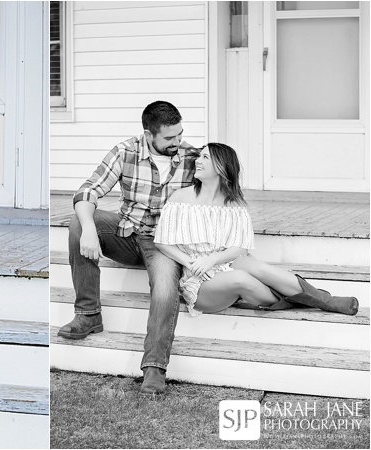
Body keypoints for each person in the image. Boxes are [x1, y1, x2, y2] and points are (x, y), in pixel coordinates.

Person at [56, 100, 196, 395]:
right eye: (170, 138)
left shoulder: (190, 157)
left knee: (164, 288)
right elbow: (87, 191)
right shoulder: (125, 151)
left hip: (165, 244)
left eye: (179, 135)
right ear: (148, 134)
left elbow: (222, 186)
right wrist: (90, 231)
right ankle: (89, 315)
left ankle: (155, 367)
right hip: (127, 235)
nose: (177, 143)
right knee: (79, 222)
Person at [154, 143, 358, 316]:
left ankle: (325, 300)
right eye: (199, 156)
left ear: (221, 167)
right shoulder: (181, 198)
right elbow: (162, 242)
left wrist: (213, 259)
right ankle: (304, 300)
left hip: (222, 264)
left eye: (205, 157)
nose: (197, 160)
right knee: (241, 278)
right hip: (200, 280)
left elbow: (240, 248)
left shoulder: (233, 205)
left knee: (259, 268)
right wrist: (193, 262)